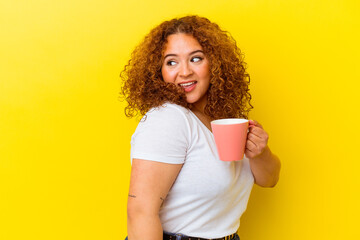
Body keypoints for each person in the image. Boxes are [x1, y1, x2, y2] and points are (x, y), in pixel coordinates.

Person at [120, 15, 281, 240]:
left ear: (215, 63)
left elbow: (270, 180)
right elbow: (140, 212)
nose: (184, 72)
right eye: (171, 62)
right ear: (159, 72)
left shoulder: (225, 119)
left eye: (195, 59)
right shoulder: (168, 120)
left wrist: (260, 152)